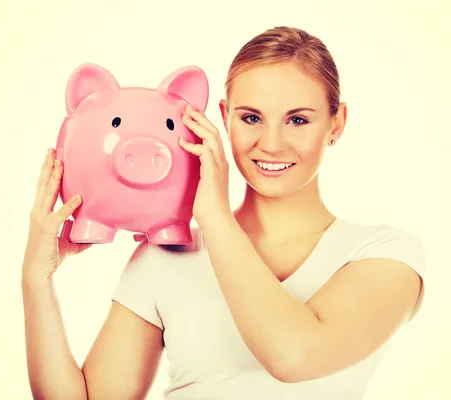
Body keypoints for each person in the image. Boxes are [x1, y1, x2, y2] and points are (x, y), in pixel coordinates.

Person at [22, 26, 426, 400]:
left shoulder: (386, 256)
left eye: (298, 120)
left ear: (336, 124)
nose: (271, 143)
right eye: (251, 118)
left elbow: (293, 356)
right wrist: (36, 277)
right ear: (223, 117)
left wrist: (214, 217)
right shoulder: (165, 257)